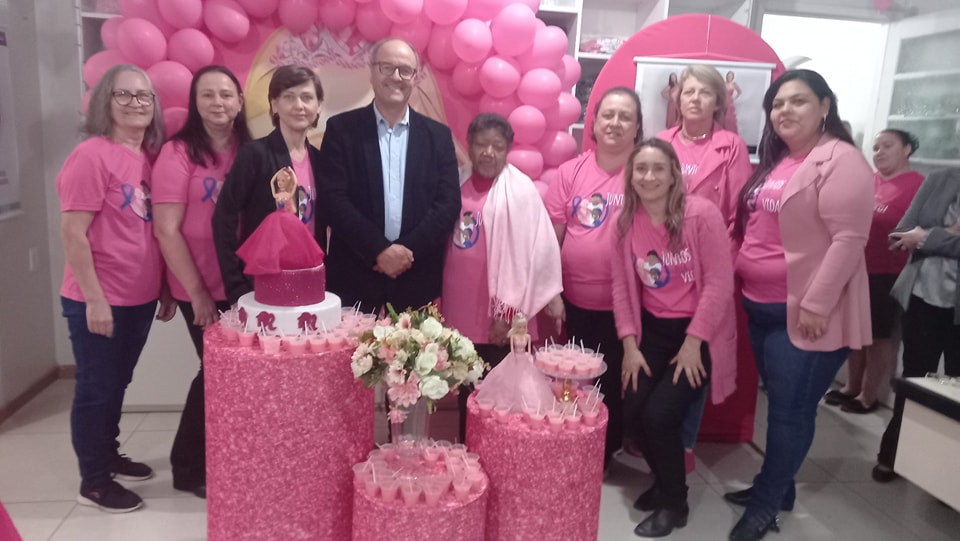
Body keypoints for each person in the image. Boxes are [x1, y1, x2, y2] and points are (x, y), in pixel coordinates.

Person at [726, 69, 873, 541]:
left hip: (805, 315)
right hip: (761, 308)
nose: (784, 111)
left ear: (825, 106)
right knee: (783, 407)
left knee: (791, 412)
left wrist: (817, 303)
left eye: (798, 101)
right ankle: (779, 488)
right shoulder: (781, 160)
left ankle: (767, 504)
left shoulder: (841, 160)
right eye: (777, 104)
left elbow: (850, 239)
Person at [57, 64, 176, 513]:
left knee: (117, 382)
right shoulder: (92, 155)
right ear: (105, 101)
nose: (135, 104)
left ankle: (108, 453)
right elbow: (73, 233)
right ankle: (94, 480)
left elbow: (151, 230)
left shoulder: (147, 156)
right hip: (99, 298)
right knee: (95, 388)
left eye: (144, 97)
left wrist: (163, 286)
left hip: (140, 297)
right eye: (124, 95)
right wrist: (93, 298)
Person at [612, 139, 735, 537]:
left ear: (673, 175)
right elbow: (621, 288)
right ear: (630, 175)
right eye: (640, 169)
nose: (648, 177)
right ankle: (665, 482)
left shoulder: (701, 215)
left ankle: (675, 504)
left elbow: (718, 284)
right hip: (652, 331)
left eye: (657, 169)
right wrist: (629, 345)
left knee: (660, 416)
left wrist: (694, 342)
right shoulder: (626, 221)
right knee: (632, 412)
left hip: (696, 334)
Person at [152, 66, 250, 498]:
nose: (218, 103)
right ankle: (187, 466)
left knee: (237, 379)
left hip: (244, 286)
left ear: (240, 102)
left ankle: (225, 457)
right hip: (201, 287)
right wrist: (197, 296)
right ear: (195, 102)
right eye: (207, 95)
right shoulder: (178, 153)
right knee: (213, 375)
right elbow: (167, 229)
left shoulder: (249, 150)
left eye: (226, 95)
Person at [317, 38, 460, 312]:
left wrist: (405, 251)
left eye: (405, 70)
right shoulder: (341, 130)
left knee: (417, 356)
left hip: (417, 277)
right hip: (355, 274)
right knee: (349, 355)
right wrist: (379, 250)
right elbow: (333, 200)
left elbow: (448, 203)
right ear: (371, 72)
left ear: (415, 78)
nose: (396, 77)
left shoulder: (438, 136)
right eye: (387, 67)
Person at [657, 64, 753, 471]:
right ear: (676, 98)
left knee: (693, 359)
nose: (694, 98)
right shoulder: (660, 142)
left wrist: (718, 272)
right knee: (660, 352)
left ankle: (684, 445)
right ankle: (654, 439)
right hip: (659, 268)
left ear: (718, 101)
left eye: (704, 92)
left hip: (706, 271)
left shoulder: (731, 145)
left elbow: (738, 215)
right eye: (688, 91)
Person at [444, 113, 563, 440]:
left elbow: (537, 252)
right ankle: (468, 447)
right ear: (469, 145)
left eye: (497, 146)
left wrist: (508, 313)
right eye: (481, 144)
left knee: (500, 388)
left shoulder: (521, 190)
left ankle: (496, 451)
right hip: (460, 305)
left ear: (508, 149)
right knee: (467, 383)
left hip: (501, 312)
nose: (488, 152)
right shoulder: (455, 181)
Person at [544, 86, 642, 468]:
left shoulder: (646, 170)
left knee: (621, 380)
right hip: (578, 299)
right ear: (594, 123)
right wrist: (553, 291)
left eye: (625, 116)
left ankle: (608, 448)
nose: (615, 123)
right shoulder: (572, 172)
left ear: (636, 127)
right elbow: (552, 238)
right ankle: (584, 445)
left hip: (633, 304)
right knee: (580, 378)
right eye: (608, 115)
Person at [825, 129, 923, 414]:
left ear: (906, 149)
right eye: (876, 147)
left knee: (878, 337)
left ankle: (869, 396)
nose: (879, 152)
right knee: (854, 333)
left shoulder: (917, 185)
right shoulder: (869, 180)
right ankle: (851, 386)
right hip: (856, 267)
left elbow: (925, 228)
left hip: (888, 273)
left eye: (888, 146)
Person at [873, 167, 960, 482]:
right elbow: (900, 235)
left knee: (956, 388)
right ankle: (893, 452)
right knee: (914, 378)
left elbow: (915, 236)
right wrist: (948, 235)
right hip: (923, 297)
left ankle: (948, 474)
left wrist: (926, 237)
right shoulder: (940, 179)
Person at [213, 65, 324, 304]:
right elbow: (224, 218)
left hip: (308, 279)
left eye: (307, 97)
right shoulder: (255, 154)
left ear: (318, 107)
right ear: (274, 105)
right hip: (261, 281)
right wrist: (236, 288)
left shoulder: (321, 160)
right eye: (289, 97)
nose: (299, 106)